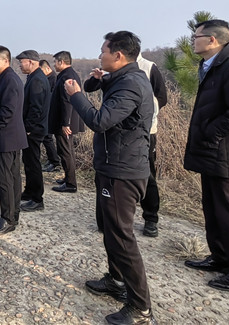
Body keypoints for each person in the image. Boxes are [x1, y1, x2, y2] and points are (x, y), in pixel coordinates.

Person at [66, 31, 156, 325]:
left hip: (123, 171)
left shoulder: (131, 84)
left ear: (118, 55)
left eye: (103, 51)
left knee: (121, 236)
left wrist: (76, 96)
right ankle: (116, 280)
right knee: (110, 229)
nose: (99, 55)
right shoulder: (122, 79)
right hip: (112, 166)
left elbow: (100, 120)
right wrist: (97, 80)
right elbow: (101, 91)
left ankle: (141, 308)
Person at [183, 19, 229, 292]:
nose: (193, 41)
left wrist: (211, 132)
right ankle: (221, 258)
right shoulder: (211, 65)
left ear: (213, 40)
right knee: (213, 208)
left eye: (196, 36)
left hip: (228, 154)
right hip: (213, 153)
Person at [0, 45, 27, 234]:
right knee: (12, 176)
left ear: (5, 60)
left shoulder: (9, 79)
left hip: (7, 137)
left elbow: (8, 110)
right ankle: (13, 214)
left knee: (4, 178)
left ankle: (8, 219)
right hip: (12, 136)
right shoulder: (8, 78)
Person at [135, 54, 167, 237]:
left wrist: (147, 115)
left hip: (146, 131)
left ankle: (151, 218)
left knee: (148, 175)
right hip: (120, 132)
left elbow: (162, 97)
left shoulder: (148, 67)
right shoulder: (113, 68)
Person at [16, 50, 50, 212]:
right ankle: (30, 191)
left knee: (33, 163)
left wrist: (29, 128)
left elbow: (36, 108)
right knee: (28, 161)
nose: (19, 65)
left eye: (21, 62)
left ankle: (37, 198)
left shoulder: (37, 80)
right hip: (35, 128)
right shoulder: (34, 77)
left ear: (30, 62)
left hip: (34, 130)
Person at [49, 51, 84, 193]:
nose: (54, 65)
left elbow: (67, 102)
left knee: (65, 151)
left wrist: (66, 123)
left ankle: (70, 183)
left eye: (55, 62)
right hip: (65, 121)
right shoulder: (68, 74)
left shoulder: (67, 76)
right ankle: (68, 178)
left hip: (64, 122)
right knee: (67, 150)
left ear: (61, 62)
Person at [39, 59, 60, 172]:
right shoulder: (47, 78)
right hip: (46, 112)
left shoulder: (54, 79)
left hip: (50, 112)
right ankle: (51, 159)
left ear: (47, 68)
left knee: (47, 137)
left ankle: (55, 162)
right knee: (46, 137)